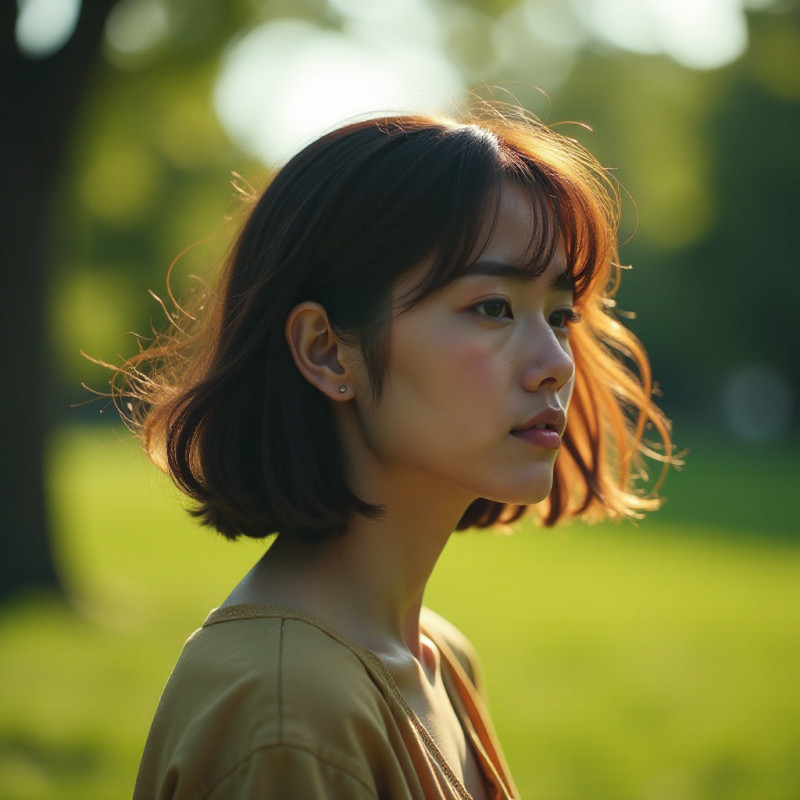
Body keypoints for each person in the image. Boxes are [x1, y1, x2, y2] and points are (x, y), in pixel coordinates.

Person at [121, 106, 675, 799]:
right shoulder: (290, 711)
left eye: (559, 314)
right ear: (327, 350)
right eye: (493, 307)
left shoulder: (440, 659)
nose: (556, 363)